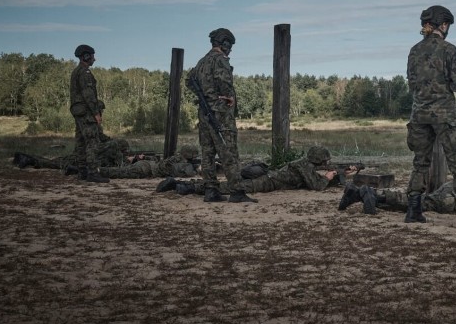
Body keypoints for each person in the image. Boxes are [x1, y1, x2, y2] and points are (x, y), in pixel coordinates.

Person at [403, 5, 456, 226]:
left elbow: (412, 84)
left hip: (419, 115)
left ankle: (413, 210)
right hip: (444, 115)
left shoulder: (414, 51)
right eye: (447, 24)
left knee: (420, 163)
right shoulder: (448, 49)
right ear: (443, 25)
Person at [188, 28, 255, 203]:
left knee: (207, 152)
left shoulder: (202, 62)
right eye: (230, 45)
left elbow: (189, 80)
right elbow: (224, 81)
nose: (230, 48)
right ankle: (237, 191)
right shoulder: (220, 60)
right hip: (221, 113)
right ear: (225, 43)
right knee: (229, 151)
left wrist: (206, 96)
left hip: (204, 112)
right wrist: (228, 97)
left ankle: (211, 190)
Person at [156, 146, 359, 196]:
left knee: (231, 186)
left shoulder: (306, 164)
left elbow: (315, 178)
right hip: (268, 181)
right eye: (324, 161)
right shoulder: (304, 165)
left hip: (269, 178)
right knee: (231, 188)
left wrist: (342, 173)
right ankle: (183, 186)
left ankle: (185, 187)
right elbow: (316, 185)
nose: (326, 164)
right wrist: (332, 177)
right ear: (317, 160)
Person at [69, 44, 109, 183]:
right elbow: (89, 95)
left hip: (78, 113)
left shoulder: (76, 71)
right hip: (86, 113)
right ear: (86, 56)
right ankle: (92, 173)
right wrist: (96, 113)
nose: (94, 59)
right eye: (92, 56)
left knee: (81, 142)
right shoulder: (85, 73)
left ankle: (82, 172)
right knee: (92, 142)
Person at [12, 139, 138, 174]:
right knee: (54, 164)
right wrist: (132, 160)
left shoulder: (109, 145)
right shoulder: (115, 149)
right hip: (83, 162)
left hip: (81, 157)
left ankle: (26, 157)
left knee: (56, 161)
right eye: (125, 150)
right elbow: (123, 166)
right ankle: (29, 159)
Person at [98, 145, 199, 179]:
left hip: (148, 166)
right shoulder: (184, 164)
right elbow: (190, 173)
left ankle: (100, 169)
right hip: (146, 169)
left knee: (122, 170)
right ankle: (99, 170)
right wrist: (197, 169)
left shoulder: (177, 158)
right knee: (121, 172)